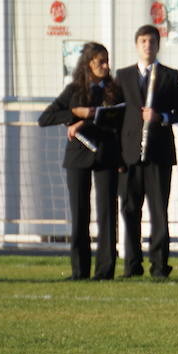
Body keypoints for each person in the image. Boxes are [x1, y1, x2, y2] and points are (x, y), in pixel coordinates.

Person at [39, 41, 124, 280]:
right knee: (80, 213)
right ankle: (79, 270)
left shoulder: (114, 89)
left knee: (107, 213)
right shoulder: (75, 90)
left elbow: (118, 117)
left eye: (107, 61)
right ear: (88, 64)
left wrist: (85, 121)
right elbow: (45, 118)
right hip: (79, 156)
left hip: (106, 154)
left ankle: (105, 270)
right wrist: (75, 113)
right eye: (100, 62)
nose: (106, 66)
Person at [114, 25, 178, 278]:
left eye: (152, 41)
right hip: (129, 154)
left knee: (159, 212)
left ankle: (159, 266)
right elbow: (115, 115)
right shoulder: (122, 76)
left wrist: (162, 117)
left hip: (159, 154)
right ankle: (132, 266)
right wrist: (117, 156)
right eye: (143, 40)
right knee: (130, 211)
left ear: (158, 45)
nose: (148, 45)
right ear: (136, 44)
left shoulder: (170, 75)